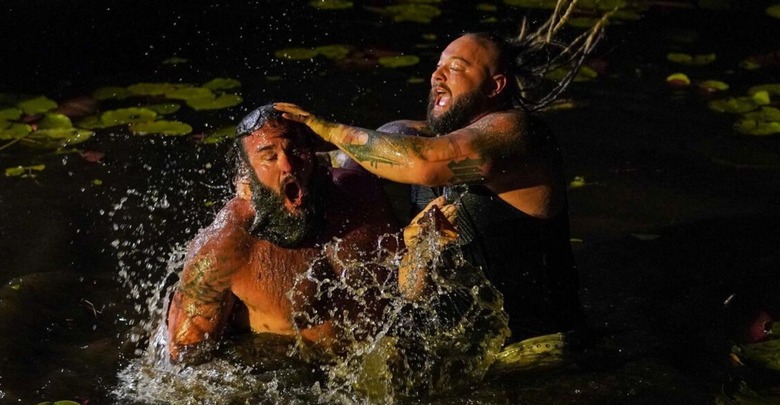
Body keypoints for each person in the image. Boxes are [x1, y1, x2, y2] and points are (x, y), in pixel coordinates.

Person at [273, 18, 608, 340]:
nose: (437, 75)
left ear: (494, 86)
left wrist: (328, 129)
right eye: (438, 65)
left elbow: (424, 163)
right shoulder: (414, 139)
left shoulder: (518, 135)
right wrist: (274, 169)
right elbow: (338, 162)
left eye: (456, 67)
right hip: (462, 349)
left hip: (539, 350)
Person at [166, 104, 459, 364]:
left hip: (385, 365)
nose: (287, 165)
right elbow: (184, 357)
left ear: (315, 155)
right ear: (247, 177)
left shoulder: (360, 193)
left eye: (295, 151)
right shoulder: (226, 246)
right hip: (297, 389)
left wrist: (422, 246)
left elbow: (408, 293)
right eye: (269, 157)